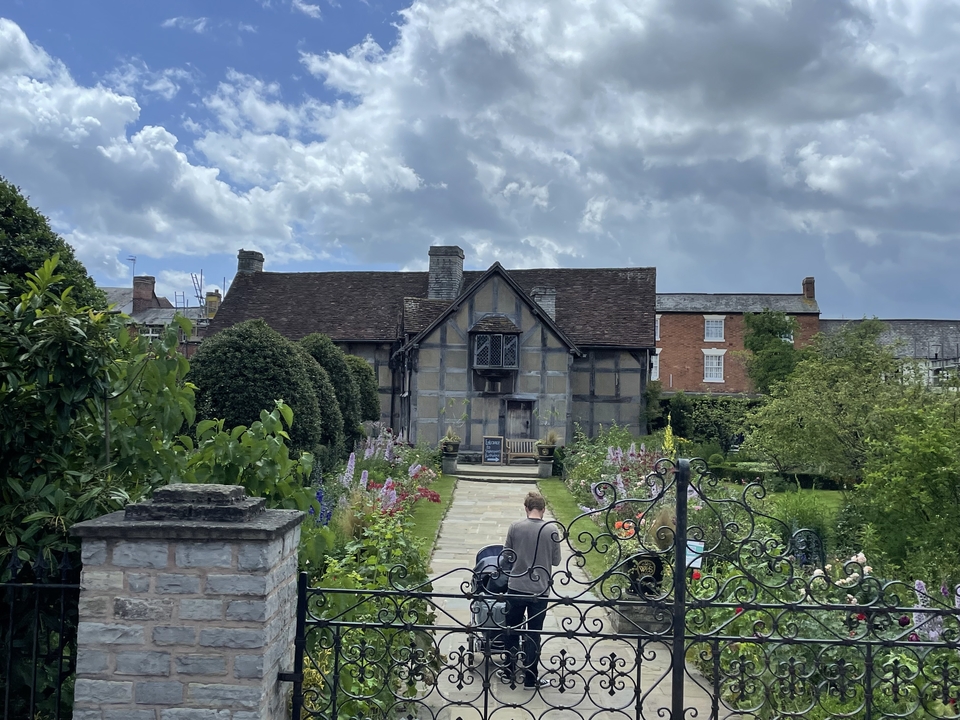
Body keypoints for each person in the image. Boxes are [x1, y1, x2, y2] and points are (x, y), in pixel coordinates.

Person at [499, 491, 562, 690]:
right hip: (540, 590)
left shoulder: (515, 527)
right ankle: (530, 678)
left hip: (516, 586)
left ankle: (508, 671)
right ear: (543, 510)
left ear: (526, 508)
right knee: (533, 634)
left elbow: (506, 557)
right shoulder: (551, 529)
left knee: (511, 630)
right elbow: (556, 560)